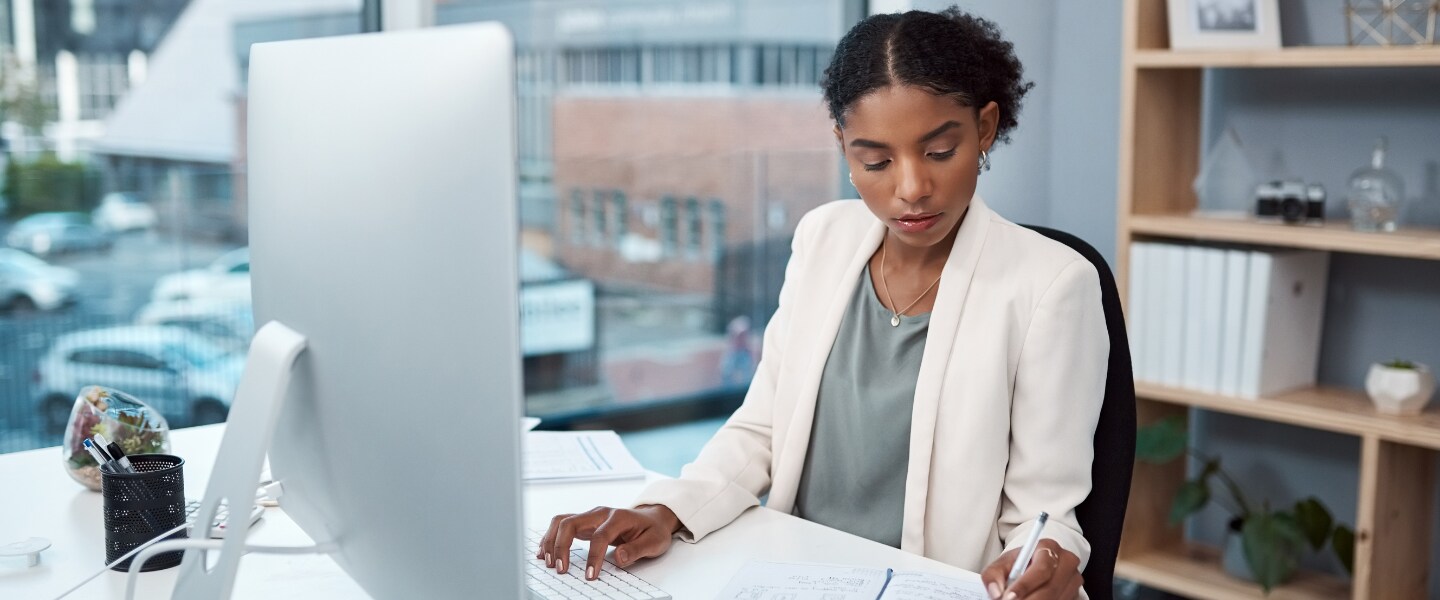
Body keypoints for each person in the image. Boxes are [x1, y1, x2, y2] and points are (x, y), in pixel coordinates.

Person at [536, 7, 1106, 600]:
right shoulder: (822, 238)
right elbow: (761, 427)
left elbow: (1045, 512)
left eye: (938, 152)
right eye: (875, 161)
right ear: (844, 147)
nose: (910, 188)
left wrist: (1043, 559)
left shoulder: (1052, 284)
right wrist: (666, 510)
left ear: (985, 128)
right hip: (790, 576)